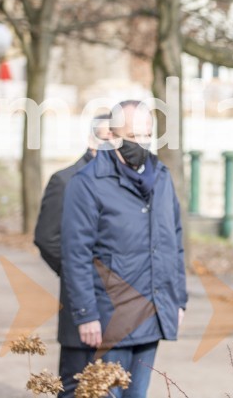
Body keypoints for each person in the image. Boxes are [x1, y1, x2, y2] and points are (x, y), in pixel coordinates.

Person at [61, 100, 188, 398]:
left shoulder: (162, 177)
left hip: (152, 315)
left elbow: (175, 242)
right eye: (134, 136)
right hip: (110, 321)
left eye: (147, 135)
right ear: (114, 136)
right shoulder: (87, 184)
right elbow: (75, 255)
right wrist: (85, 314)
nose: (142, 143)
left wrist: (178, 300)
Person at [34, 114, 112, 397]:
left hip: (119, 309)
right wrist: (75, 271)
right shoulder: (65, 181)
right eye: (107, 138)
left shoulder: (122, 183)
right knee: (75, 385)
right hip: (80, 302)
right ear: (92, 140)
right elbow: (46, 238)